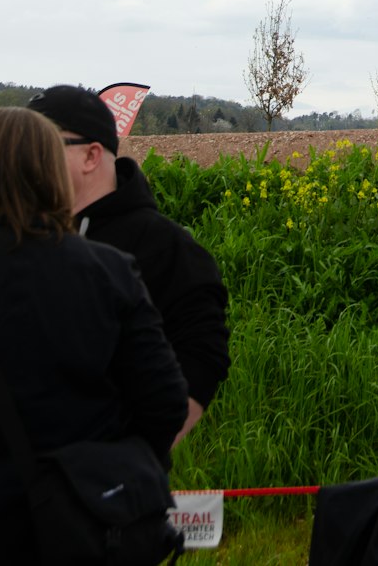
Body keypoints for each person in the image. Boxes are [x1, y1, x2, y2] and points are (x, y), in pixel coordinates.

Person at [0, 107, 188, 563]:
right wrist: (113, 471)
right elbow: (166, 401)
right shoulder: (108, 271)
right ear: (52, 173)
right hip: (83, 529)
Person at [29, 84, 230, 444]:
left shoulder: (166, 247)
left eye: (41, 146)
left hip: (107, 486)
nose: (25, 160)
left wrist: (135, 455)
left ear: (91, 156)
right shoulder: (21, 234)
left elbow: (203, 355)